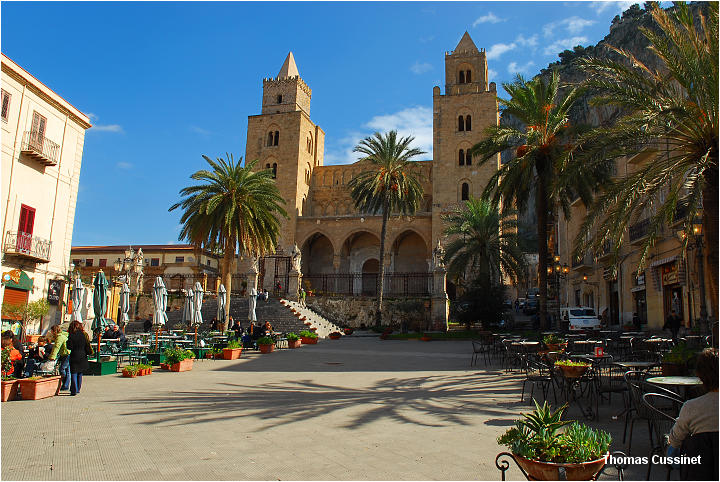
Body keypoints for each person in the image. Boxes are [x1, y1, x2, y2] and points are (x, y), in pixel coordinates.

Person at [667, 348, 718, 480]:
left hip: (700, 469)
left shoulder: (691, 407)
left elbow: (675, 440)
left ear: (700, 375)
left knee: (676, 447)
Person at [65, 320, 93, 396]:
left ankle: (73, 390)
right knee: (80, 373)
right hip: (82, 355)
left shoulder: (71, 335)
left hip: (74, 355)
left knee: (74, 373)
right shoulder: (83, 334)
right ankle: (78, 389)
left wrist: (68, 342)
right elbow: (86, 345)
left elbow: (69, 347)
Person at [48, 325, 71, 391]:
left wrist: (52, 357)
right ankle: (65, 385)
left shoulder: (59, 337)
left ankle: (65, 384)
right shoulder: (63, 335)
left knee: (62, 369)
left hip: (66, 354)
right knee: (67, 370)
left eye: (52, 331)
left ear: (54, 331)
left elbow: (56, 347)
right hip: (68, 353)